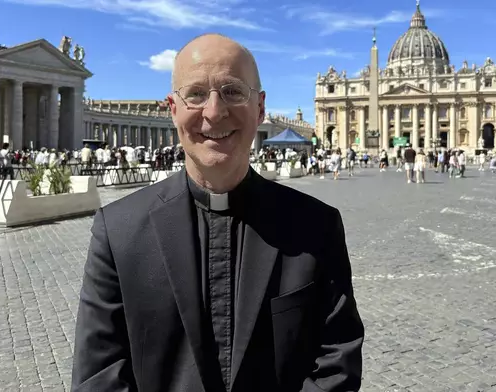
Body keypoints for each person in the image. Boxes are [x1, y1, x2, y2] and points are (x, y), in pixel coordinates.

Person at [71, 33, 364, 392]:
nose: (214, 111)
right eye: (195, 94)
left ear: (260, 108)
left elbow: (336, 364)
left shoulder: (317, 226)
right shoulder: (117, 230)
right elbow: (99, 375)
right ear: (172, 108)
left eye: (233, 91)